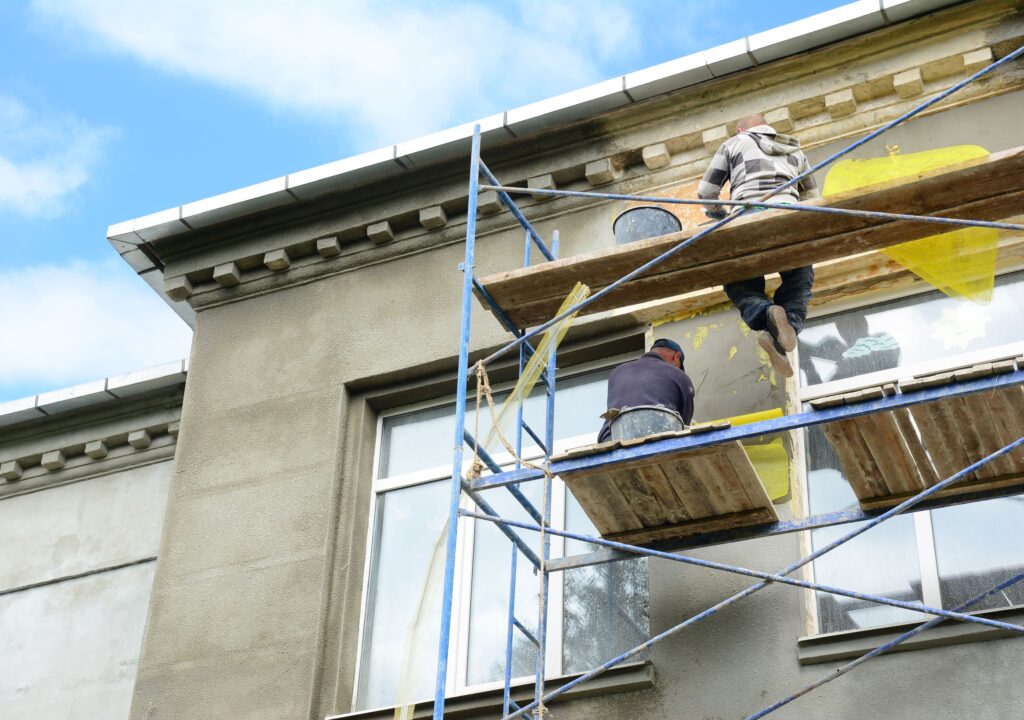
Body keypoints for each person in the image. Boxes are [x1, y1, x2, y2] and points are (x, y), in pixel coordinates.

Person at [697, 113, 820, 378]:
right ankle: (785, 332)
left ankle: (765, 316)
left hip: (748, 216)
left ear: (741, 128)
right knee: (799, 277)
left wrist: (719, 216)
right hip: (790, 217)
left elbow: (706, 191)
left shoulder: (734, 143)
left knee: (740, 280)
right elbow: (812, 195)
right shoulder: (794, 149)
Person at [597, 338, 695, 442]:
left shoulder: (616, 372)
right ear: (676, 356)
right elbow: (682, 427)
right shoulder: (679, 375)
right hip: (658, 437)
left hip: (611, 439)